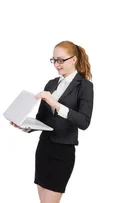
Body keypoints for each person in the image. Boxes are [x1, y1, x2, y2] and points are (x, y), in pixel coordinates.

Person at [10, 40, 94, 203]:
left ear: (74, 59)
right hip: (44, 148)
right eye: (54, 60)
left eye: (60, 60)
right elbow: (42, 119)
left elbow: (84, 122)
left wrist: (55, 103)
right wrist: (25, 126)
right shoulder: (51, 83)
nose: (56, 64)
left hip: (63, 152)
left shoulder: (84, 86)